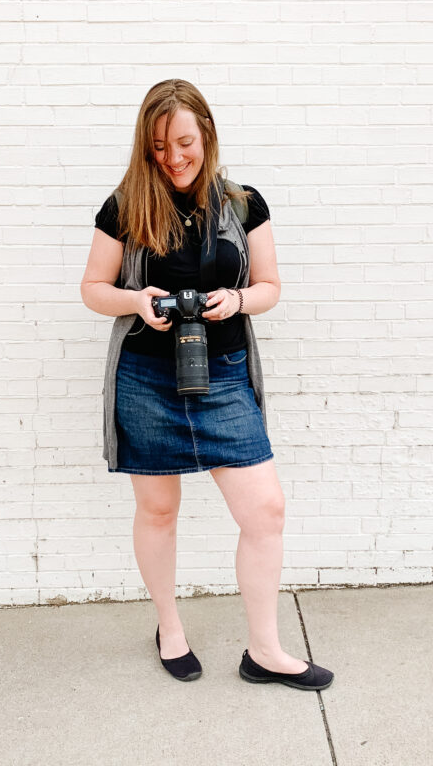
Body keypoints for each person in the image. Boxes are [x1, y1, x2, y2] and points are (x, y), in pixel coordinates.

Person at [80, 79, 333, 691]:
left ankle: (265, 650)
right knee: (159, 510)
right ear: (147, 146)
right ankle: (169, 626)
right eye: (160, 146)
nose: (174, 157)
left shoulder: (243, 203)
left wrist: (238, 299)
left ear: (207, 136)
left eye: (185, 142)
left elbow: (270, 287)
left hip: (220, 373)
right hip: (146, 375)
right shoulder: (125, 205)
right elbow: (92, 289)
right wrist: (136, 300)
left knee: (265, 510)